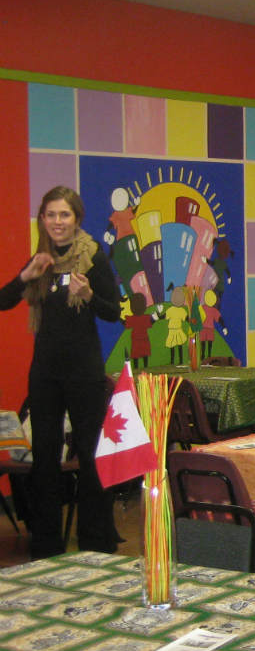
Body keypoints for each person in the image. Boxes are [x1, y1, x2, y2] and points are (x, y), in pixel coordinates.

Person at [0, 186, 122, 557]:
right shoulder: (41, 259)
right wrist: (25, 276)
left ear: (77, 219)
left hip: (84, 370)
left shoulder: (93, 256)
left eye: (64, 215)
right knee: (45, 458)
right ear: (42, 219)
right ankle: (46, 545)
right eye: (51, 215)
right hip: (45, 372)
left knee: (90, 456)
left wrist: (89, 297)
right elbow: (3, 301)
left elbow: (113, 311)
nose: (57, 222)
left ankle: (95, 544)